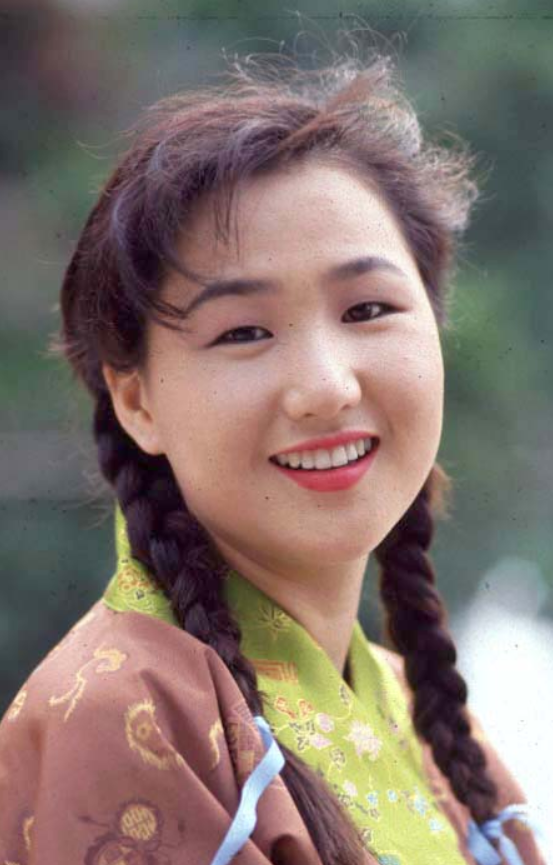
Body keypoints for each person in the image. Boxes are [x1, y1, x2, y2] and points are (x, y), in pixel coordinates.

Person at [0, 39, 546, 865]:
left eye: (367, 310)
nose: (325, 387)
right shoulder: (124, 717)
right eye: (243, 331)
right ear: (136, 400)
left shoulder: (435, 727)